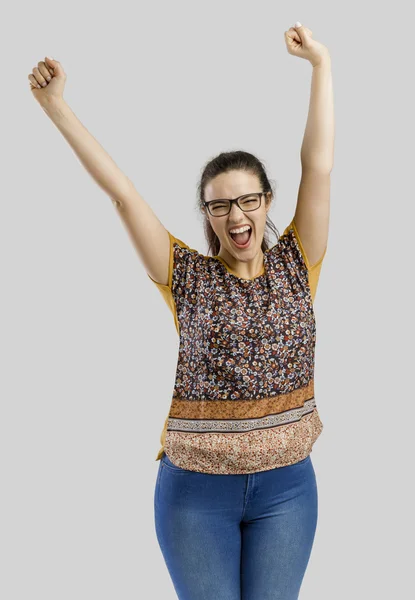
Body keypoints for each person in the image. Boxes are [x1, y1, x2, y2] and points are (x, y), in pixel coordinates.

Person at [28, 21, 333, 600]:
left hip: (288, 490)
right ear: (208, 214)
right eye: (220, 206)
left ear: (266, 201)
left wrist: (321, 67)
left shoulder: (300, 261)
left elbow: (317, 165)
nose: (236, 216)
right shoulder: (185, 274)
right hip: (195, 494)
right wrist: (56, 107)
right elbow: (122, 193)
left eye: (248, 200)